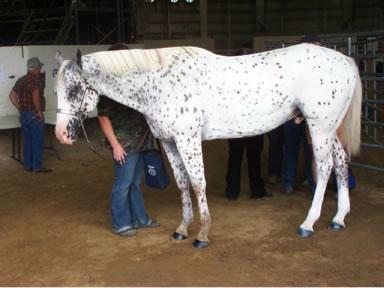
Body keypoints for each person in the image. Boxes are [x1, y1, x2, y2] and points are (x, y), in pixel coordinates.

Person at [97, 43, 160, 237]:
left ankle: (140, 218)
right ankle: (120, 223)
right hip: (125, 144)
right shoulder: (108, 85)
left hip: (141, 141)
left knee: (134, 182)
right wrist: (115, 145)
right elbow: (103, 117)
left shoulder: (132, 81)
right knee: (123, 184)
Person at [9, 57, 51, 173]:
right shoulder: (36, 81)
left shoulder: (21, 80)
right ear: (35, 69)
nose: (40, 70)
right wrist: (38, 112)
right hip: (34, 115)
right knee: (37, 141)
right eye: (39, 68)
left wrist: (20, 107)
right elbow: (35, 96)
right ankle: (37, 167)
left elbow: (12, 95)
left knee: (27, 141)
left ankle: (27, 167)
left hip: (24, 115)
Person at [225, 135, 270, 200]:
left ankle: (232, 191)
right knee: (254, 156)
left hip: (236, 128)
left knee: (235, 155)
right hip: (253, 127)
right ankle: (256, 190)